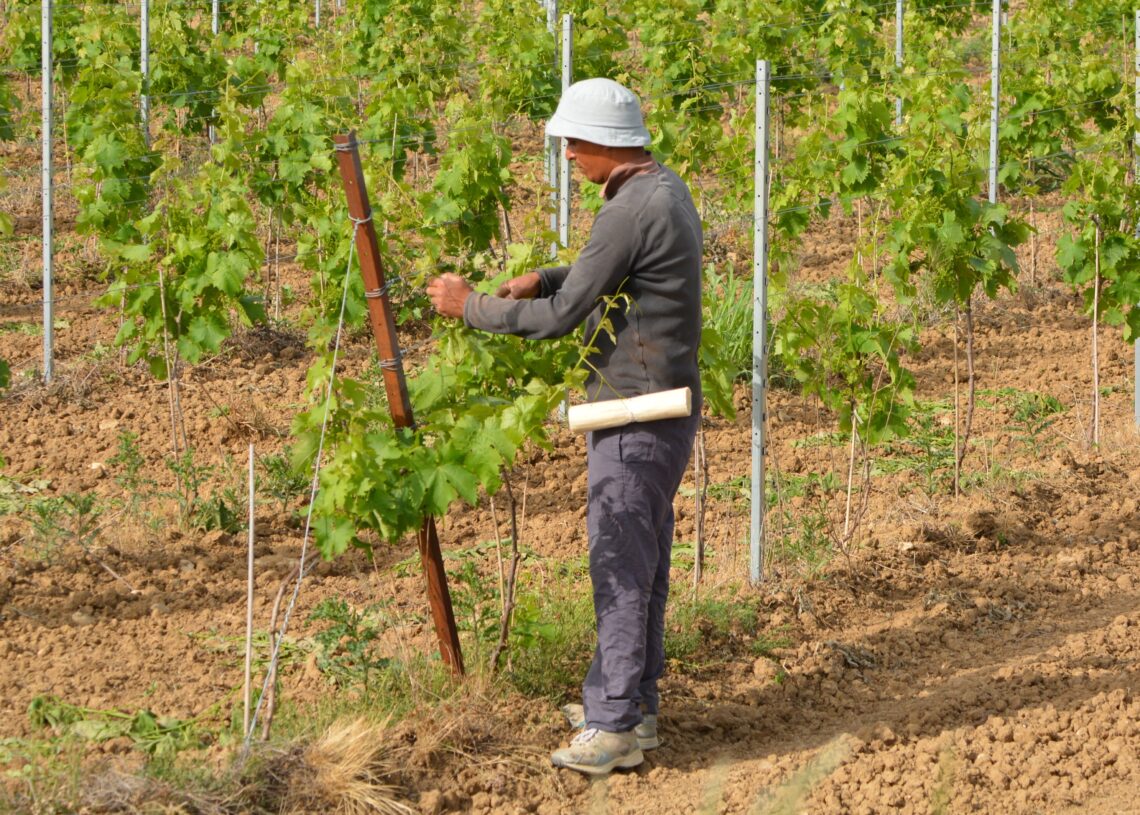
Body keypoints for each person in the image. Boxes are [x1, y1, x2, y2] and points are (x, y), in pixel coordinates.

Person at [427, 77, 702, 776]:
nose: (571, 159)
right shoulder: (663, 189)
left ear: (603, 144)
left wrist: (474, 305)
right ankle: (633, 704)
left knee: (619, 563)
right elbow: (604, 276)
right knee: (644, 560)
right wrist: (547, 276)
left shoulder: (628, 210)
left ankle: (611, 725)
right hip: (664, 407)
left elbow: (560, 322)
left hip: (636, 412)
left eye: (573, 145)